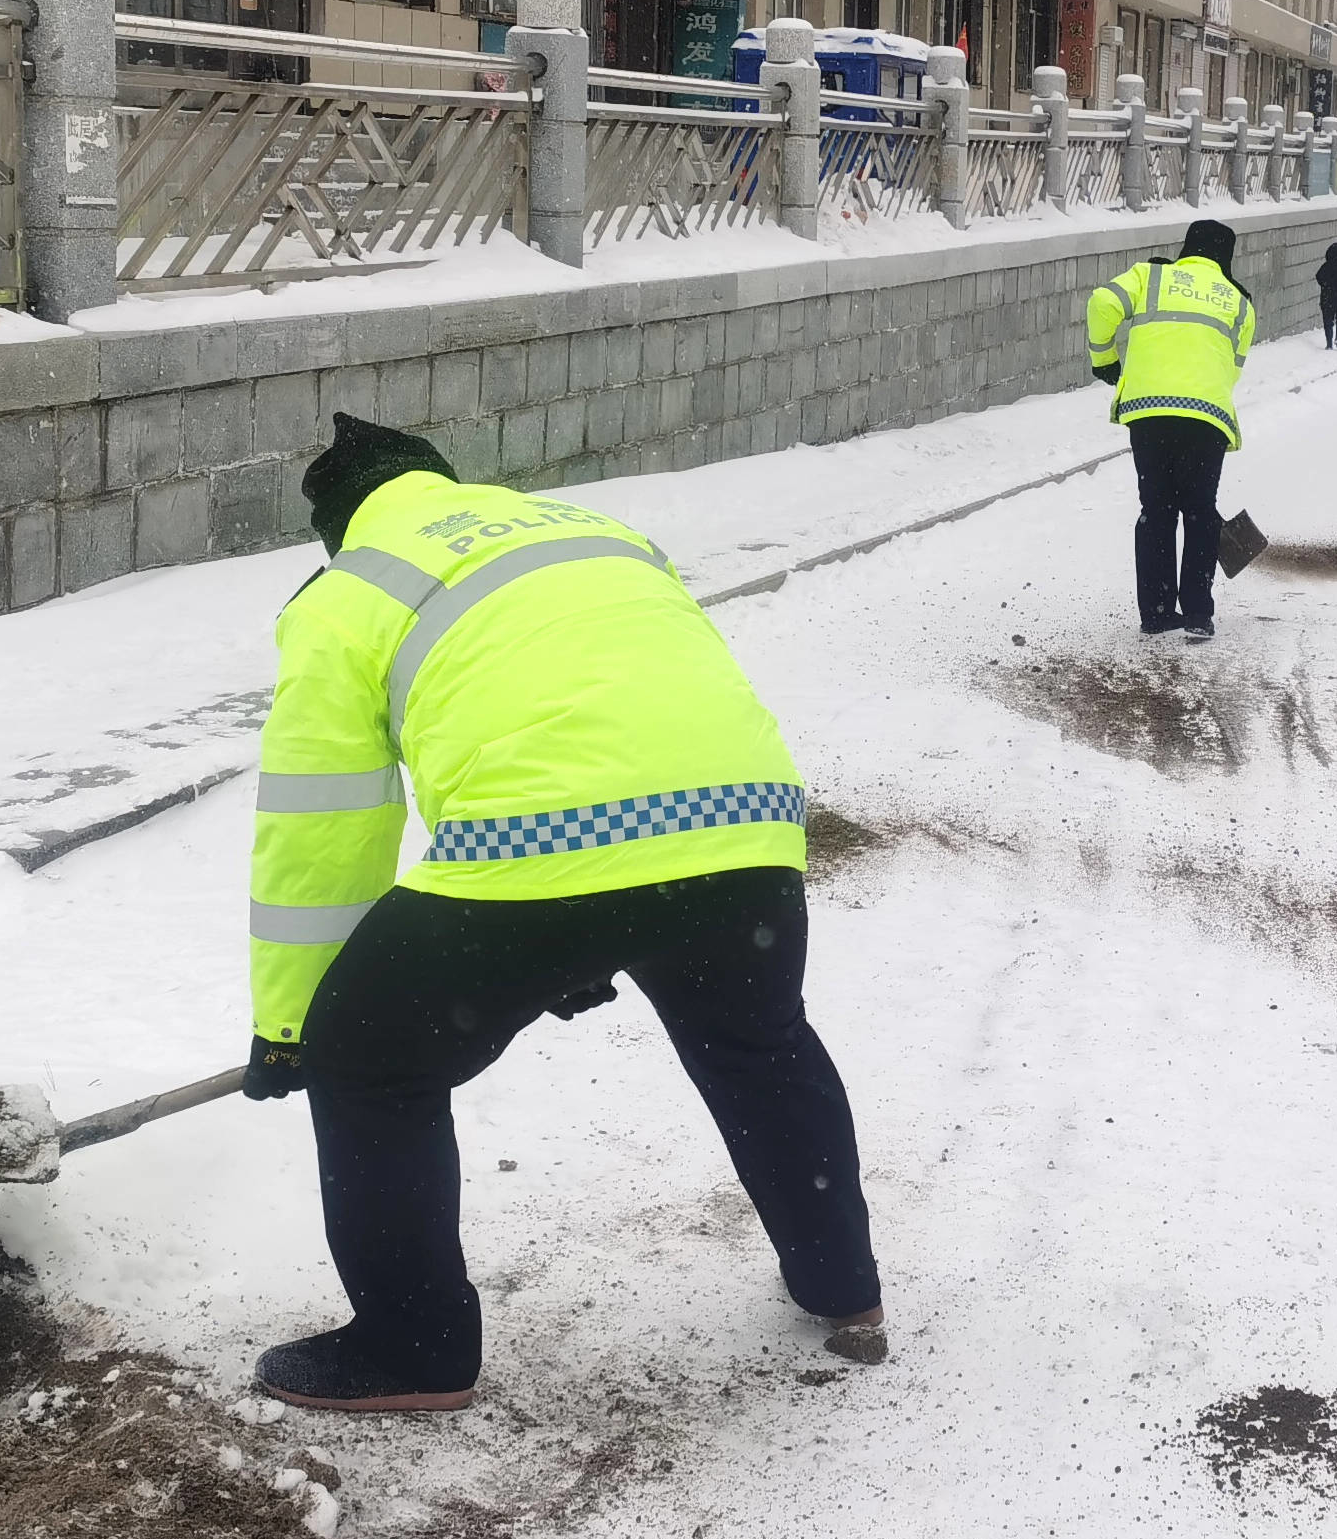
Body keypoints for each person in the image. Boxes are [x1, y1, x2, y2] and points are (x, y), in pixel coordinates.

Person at [238, 413, 883, 1412]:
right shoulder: (593, 532)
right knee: (758, 1045)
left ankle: (412, 1350)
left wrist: (292, 1029)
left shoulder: (348, 592)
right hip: (743, 826)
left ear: (339, 525)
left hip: (540, 845)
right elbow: (615, 704)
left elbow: (323, 827)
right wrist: (582, 936)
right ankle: (842, 1286)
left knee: (367, 1062)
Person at [1085, 218, 1258, 641]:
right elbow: (1231, 370)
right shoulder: (1240, 303)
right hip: (1206, 415)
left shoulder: (1150, 277)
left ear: (1186, 248)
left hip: (1149, 412)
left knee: (1157, 509)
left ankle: (1158, 612)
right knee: (1199, 512)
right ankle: (1197, 613)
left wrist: (1104, 358)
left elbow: (1102, 303)